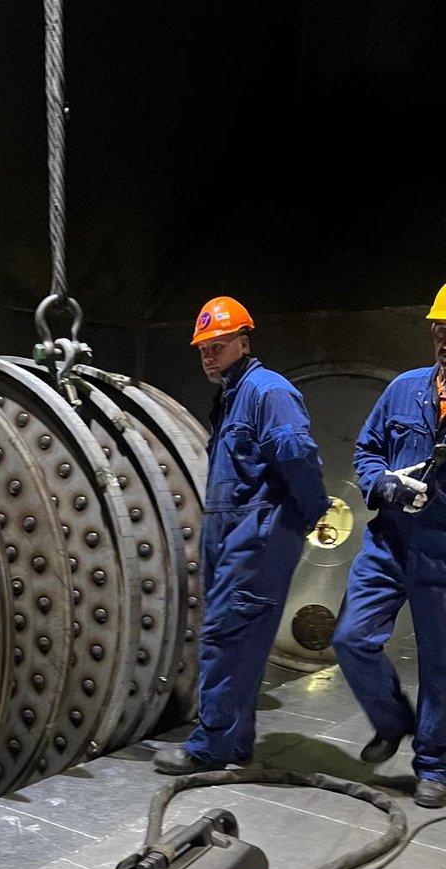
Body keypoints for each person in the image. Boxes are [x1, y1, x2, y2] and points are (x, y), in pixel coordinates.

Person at [154, 296, 331, 775]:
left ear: (244, 343)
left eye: (218, 345)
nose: (209, 356)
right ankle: (236, 742)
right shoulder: (233, 396)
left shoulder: (267, 392)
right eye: (203, 349)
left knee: (225, 638)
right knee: (243, 641)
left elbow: (296, 453)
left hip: (256, 536)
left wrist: (310, 510)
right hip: (233, 533)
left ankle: (209, 746)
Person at [331, 283, 446, 808]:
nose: (443, 339)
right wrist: (385, 484)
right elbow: (368, 448)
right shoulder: (404, 389)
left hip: (441, 550)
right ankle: (392, 719)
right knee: (351, 637)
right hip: (389, 541)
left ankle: (435, 765)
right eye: (439, 329)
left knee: (439, 662)